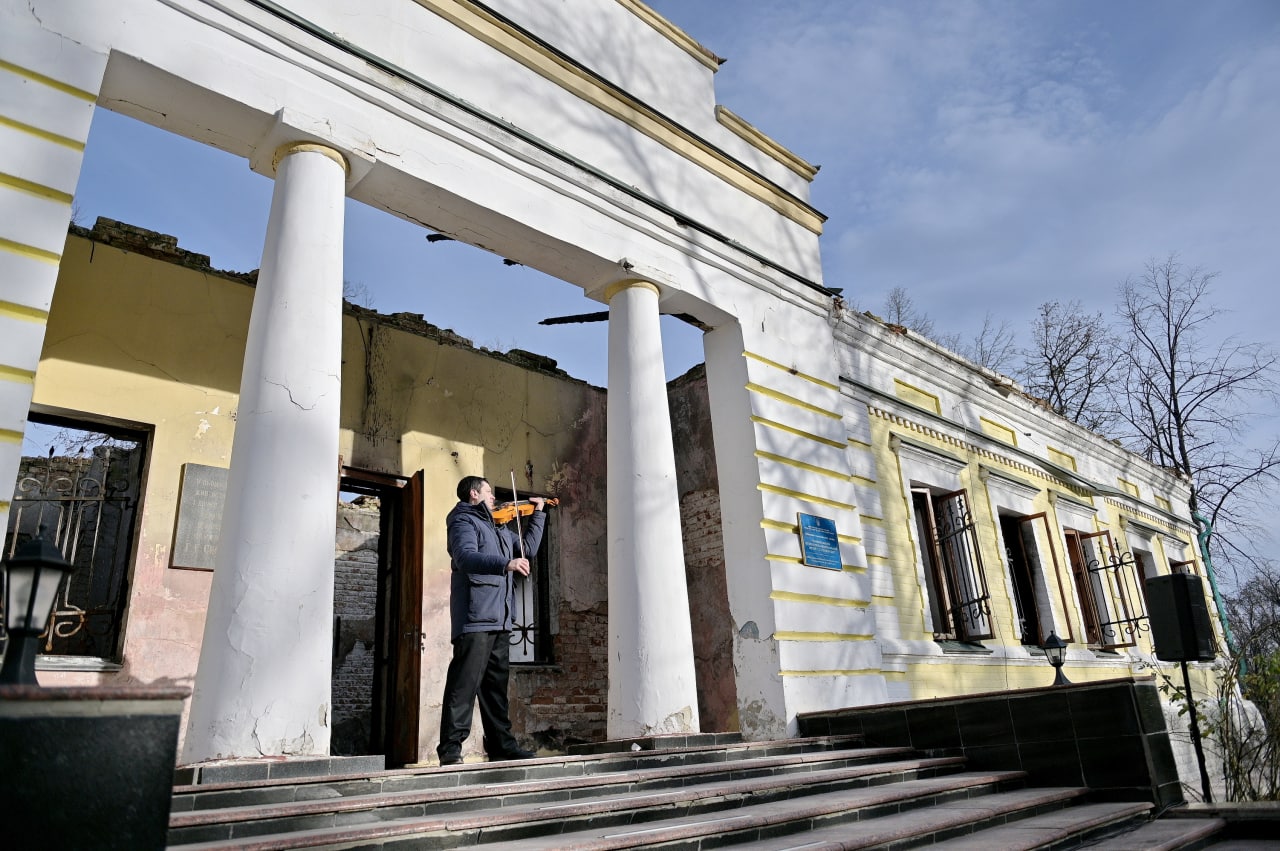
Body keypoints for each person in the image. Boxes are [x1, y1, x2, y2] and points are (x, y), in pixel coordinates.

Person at [437, 475, 546, 765]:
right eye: (488, 492)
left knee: (495, 690)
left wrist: (539, 513)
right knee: (464, 685)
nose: (494, 498)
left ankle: (502, 746)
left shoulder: (497, 527)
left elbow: (528, 549)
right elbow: (464, 557)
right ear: (474, 494)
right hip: (475, 617)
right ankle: (450, 749)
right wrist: (505, 563)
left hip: (501, 619)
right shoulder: (462, 521)